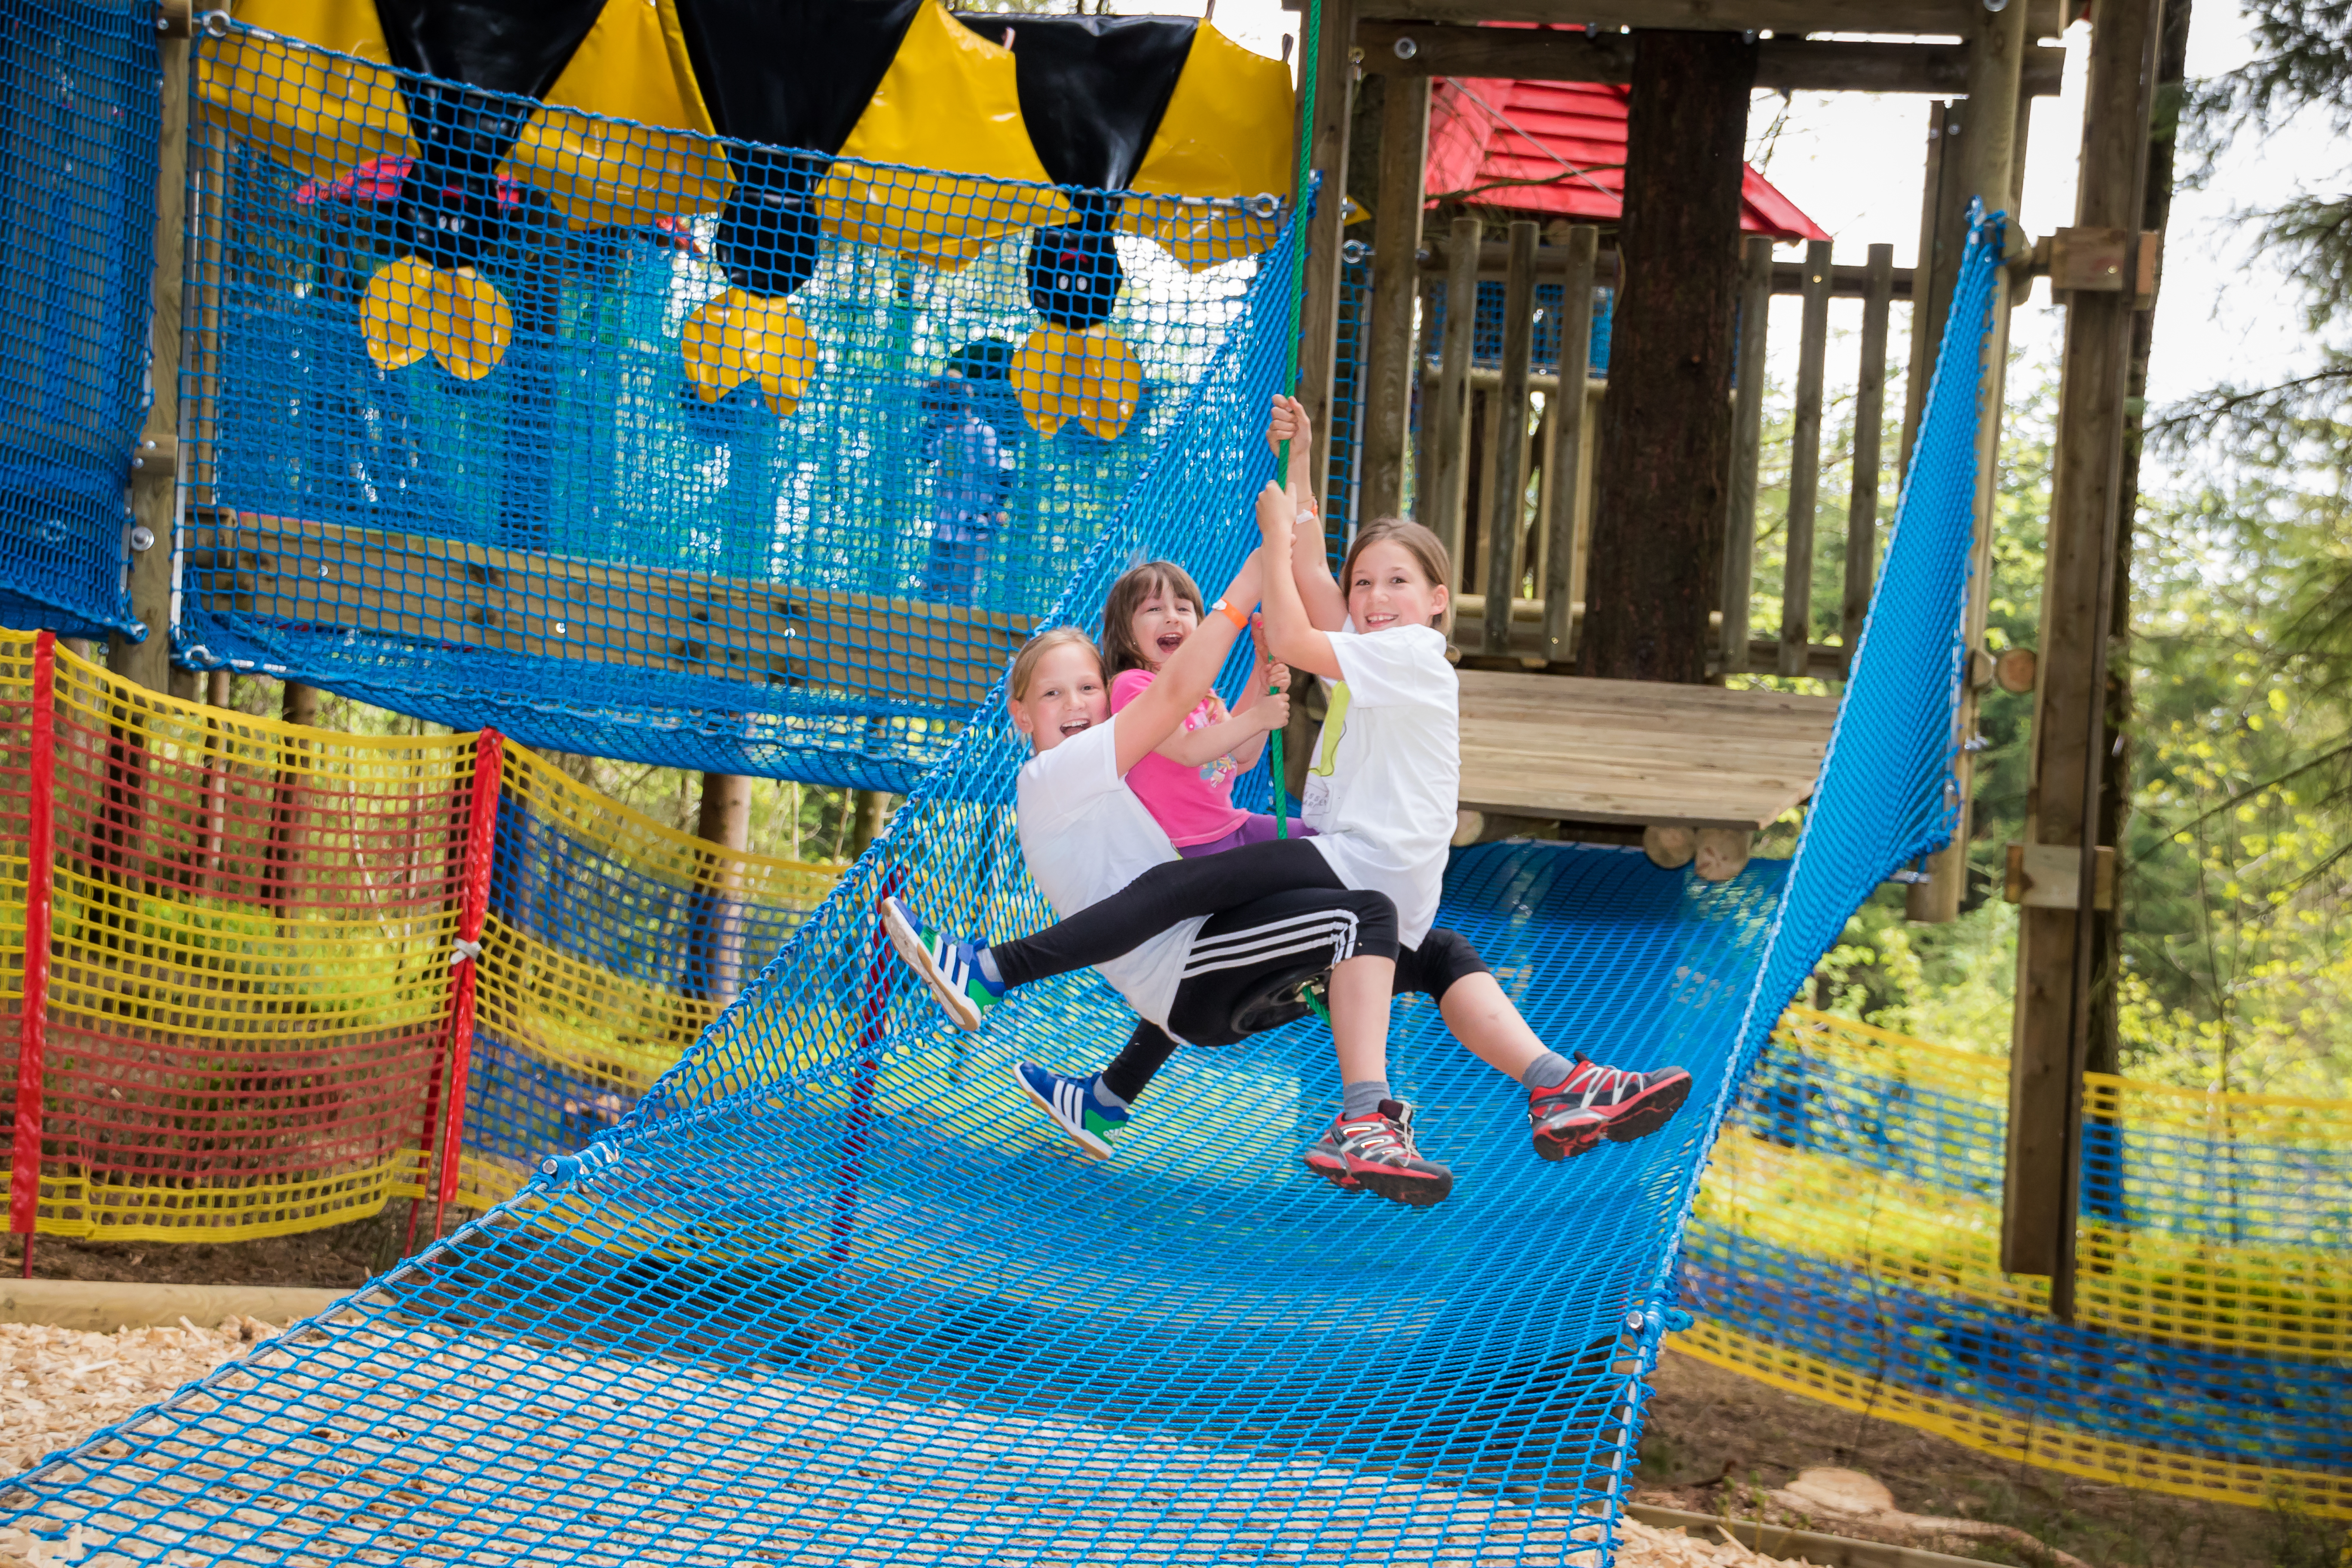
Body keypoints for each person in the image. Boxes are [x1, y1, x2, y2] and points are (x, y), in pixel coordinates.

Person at [888, 550, 1453, 1207]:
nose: (1077, 704)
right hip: (1191, 949)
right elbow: (1178, 716)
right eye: (1052, 693)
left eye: (1085, 690)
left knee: (1364, 896)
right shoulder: (1082, 752)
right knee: (1345, 910)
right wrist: (1258, 573)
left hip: (1199, 939)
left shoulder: (1121, 745)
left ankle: (1106, 1095)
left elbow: (1224, 747)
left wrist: (1259, 684)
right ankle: (991, 972)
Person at [1253, 392, 1690, 1191]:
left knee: (1238, 874)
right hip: (1383, 875)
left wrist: (1271, 535)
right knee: (1446, 953)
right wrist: (1302, 456)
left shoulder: (1411, 654)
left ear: (1435, 604)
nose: (1374, 596)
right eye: (1365, 584)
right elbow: (1313, 570)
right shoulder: (1368, 646)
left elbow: (1287, 629)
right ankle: (1558, 1081)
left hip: (1362, 877)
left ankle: (1363, 1113)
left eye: (1396, 581)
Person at [1100, 557, 1308, 858]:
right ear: (1126, 632)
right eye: (1154, 609)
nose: (1172, 618)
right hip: (1181, 848)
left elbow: (1242, 756)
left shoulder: (1202, 694)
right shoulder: (1133, 686)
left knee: (1324, 842)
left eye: (1183, 608)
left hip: (1227, 830)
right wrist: (1259, 717)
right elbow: (1188, 750)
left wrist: (1262, 681)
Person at [919, 374, 1014, 605]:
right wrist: (932, 426)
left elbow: (1004, 473)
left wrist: (994, 508)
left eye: (937, 410)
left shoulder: (982, 433)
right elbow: (925, 456)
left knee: (962, 591)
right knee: (930, 587)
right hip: (944, 525)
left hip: (973, 527)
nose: (934, 417)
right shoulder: (944, 433)